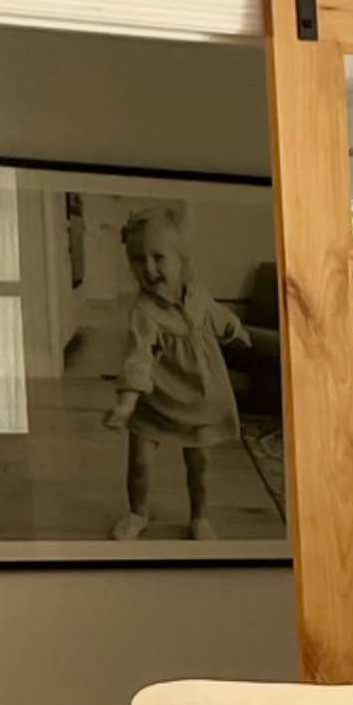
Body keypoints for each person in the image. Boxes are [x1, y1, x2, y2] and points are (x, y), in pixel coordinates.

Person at [104, 209, 254, 541]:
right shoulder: (144, 311)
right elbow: (138, 359)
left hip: (199, 399)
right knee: (140, 463)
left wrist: (236, 330)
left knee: (200, 466)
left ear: (181, 259)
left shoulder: (197, 294)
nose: (150, 268)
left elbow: (218, 316)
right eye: (138, 260)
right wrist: (126, 403)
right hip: (153, 399)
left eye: (159, 257)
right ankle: (136, 512)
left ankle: (200, 517)